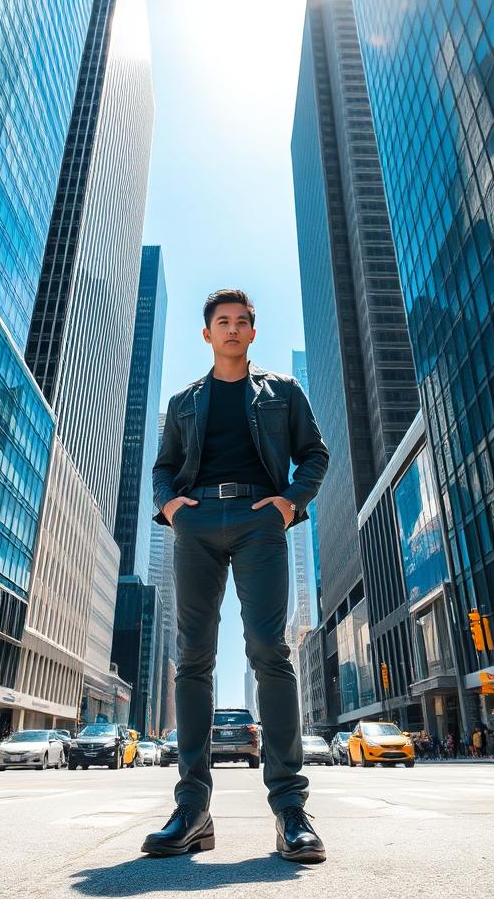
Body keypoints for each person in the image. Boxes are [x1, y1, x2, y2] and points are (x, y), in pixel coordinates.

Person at [142, 289, 329, 864]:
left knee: (270, 651)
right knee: (193, 656)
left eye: (241, 322)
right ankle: (193, 808)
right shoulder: (183, 402)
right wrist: (171, 506)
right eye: (221, 322)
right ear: (207, 334)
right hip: (196, 521)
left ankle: (290, 811)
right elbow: (164, 467)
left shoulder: (283, 393)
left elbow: (314, 455)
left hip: (258, 520)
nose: (231, 329)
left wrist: (288, 505)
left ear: (252, 333)